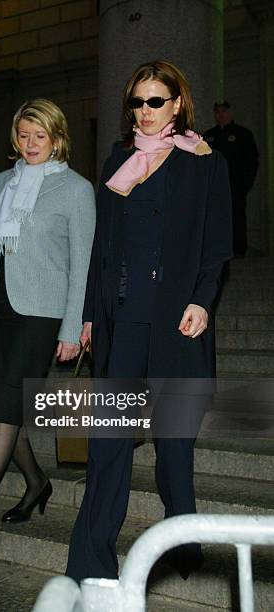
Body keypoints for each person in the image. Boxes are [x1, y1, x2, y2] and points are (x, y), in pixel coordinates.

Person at [65, 61, 233, 583]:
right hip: (125, 319)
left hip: (178, 320)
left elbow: (216, 243)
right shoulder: (119, 161)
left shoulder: (205, 163)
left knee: (175, 443)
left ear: (178, 103)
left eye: (155, 101)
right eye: (137, 102)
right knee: (108, 444)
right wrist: (92, 313)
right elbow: (100, 248)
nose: (144, 111)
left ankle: (182, 546)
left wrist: (203, 300)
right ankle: (90, 560)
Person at [0, 99, 96, 569]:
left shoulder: (76, 190)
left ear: (58, 138)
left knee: (6, 402)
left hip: (40, 313)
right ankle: (36, 482)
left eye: (39, 137)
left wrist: (72, 327)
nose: (30, 145)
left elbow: (81, 267)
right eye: (23, 136)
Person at [203, 101, 259, 257]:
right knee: (214, 219)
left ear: (230, 113)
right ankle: (217, 252)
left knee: (236, 218)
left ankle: (238, 252)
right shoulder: (208, 136)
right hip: (213, 187)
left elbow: (252, 161)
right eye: (217, 112)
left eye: (224, 111)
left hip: (235, 186)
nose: (220, 115)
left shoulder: (243, 134)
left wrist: (245, 185)